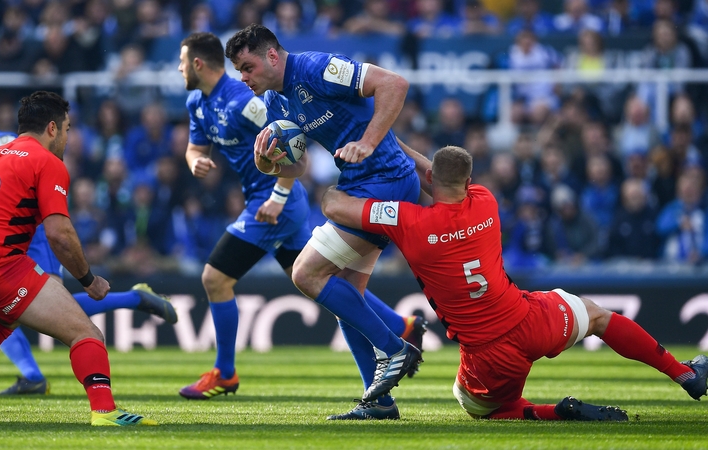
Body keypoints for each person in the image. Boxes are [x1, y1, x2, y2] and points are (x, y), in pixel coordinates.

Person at [321, 144, 708, 421]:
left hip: (487, 355)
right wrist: (399, 147)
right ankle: (684, 373)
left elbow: (334, 206)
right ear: (469, 180)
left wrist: (332, 174)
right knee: (599, 317)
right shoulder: (486, 201)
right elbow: (440, 177)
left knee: (475, 405)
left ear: (428, 179)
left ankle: (553, 413)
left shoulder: (409, 222)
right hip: (528, 318)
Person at [177, 32, 427, 410]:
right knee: (345, 295)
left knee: (306, 274)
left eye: (248, 67)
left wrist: (369, 142)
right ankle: (378, 402)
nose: (243, 77)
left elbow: (394, 83)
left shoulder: (316, 68)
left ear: (273, 56)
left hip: (384, 181)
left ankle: (394, 348)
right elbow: (299, 164)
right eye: (238, 70)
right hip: (363, 185)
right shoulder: (275, 101)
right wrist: (267, 161)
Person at [0, 91, 157, 426]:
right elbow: (59, 234)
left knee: (5, 320)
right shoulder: (47, 162)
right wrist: (89, 280)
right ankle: (105, 412)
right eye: (66, 129)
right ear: (52, 128)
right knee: (86, 333)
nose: (66, 137)